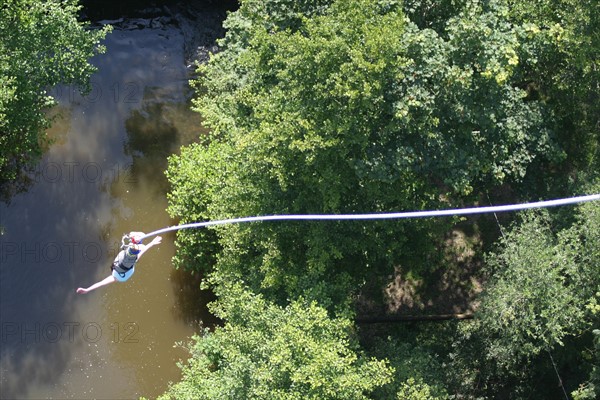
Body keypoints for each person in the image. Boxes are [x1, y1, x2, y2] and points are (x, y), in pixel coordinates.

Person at [76, 232, 162, 294]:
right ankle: (135, 241)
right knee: (136, 246)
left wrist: (87, 289)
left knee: (135, 246)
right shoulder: (128, 261)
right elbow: (142, 248)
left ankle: (135, 241)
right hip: (126, 266)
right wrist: (150, 243)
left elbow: (101, 283)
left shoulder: (117, 274)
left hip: (126, 269)